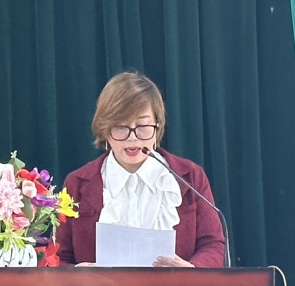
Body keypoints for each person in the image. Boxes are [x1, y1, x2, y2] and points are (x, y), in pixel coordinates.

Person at [57, 71, 226, 268]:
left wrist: (192, 271)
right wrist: (77, 274)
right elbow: (59, 257)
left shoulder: (190, 177)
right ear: (105, 130)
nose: (133, 137)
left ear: (157, 126)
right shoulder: (77, 183)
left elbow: (213, 244)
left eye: (143, 126)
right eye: (121, 127)